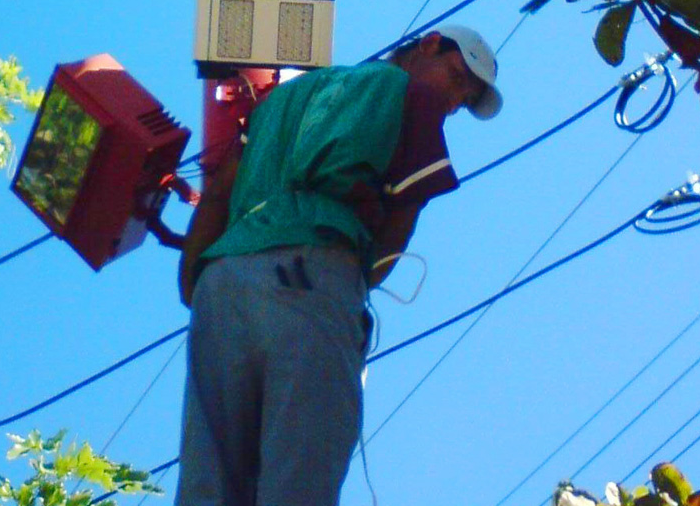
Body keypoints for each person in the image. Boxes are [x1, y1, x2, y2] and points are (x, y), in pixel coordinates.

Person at [175, 25, 503, 506]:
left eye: (464, 98)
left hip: (222, 284)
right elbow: (403, 217)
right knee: (300, 474)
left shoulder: (286, 98)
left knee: (211, 481)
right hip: (312, 276)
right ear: (429, 44)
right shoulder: (409, 92)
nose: (452, 101)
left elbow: (220, 192)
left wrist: (197, 284)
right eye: (457, 80)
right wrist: (356, 278)